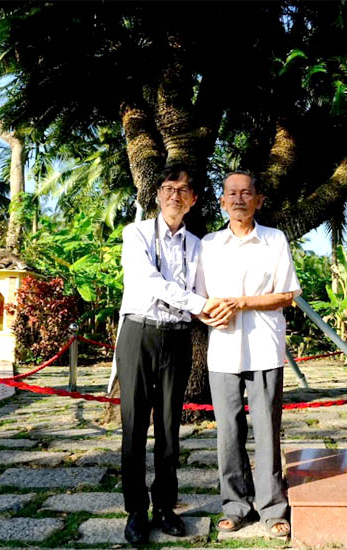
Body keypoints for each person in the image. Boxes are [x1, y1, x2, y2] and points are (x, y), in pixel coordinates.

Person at [116, 165, 231, 544]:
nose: (174, 196)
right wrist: (201, 302)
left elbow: (207, 292)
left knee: (169, 427)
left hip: (179, 337)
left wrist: (223, 308)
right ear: (157, 195)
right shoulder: (135, 234)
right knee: (133, 425)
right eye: (168, 188)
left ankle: (166, 506)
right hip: (139, 332)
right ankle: (135, 510)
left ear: (193, 200)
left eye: (183, 190)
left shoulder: (199, 245)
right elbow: (147, 282)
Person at [195, 171, 300, 538]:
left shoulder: (274, 240)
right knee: (228, 431)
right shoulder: (208, 244)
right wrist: (209, 311)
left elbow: (286, 295)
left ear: (258, 200)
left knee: (268, 431)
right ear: (222, 201)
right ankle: (235, 505)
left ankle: (273, 508)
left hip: (264, 349)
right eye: (231, 193)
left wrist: (240, 303)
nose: (239, 199)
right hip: (223, 350)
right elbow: (198, 299)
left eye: (246, 193)